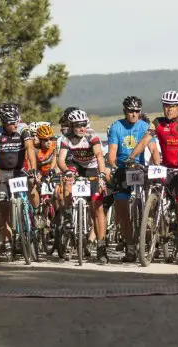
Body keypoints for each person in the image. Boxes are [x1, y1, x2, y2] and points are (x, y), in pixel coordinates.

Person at [128, 90, 178, 264]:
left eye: (172, 106)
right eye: (166, 106)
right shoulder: (157, 122)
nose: (169, 110)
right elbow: (144, 141)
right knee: (154, 196)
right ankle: (152, 234)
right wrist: (131, 157)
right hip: (165, 168)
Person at [106, 96, 158, 262]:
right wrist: (114, 166)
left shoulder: (145, 126)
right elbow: (112, 155)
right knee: (121, 208)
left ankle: (149, 233)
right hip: (123, 169)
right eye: (131, 111)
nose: (134, 114)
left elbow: (153, 149)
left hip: (140, 168)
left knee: (152, 200)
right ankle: (129, 247)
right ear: (124, 111)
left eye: (137, 111)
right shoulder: (116, 127)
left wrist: (157, 164)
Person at [57, 108, 111, 263]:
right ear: (72, 126)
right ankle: (68, 213)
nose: (82, 128)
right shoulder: (66, 138)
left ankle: (101, 246)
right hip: (76, 165)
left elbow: (100, 156)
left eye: (84, 125)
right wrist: (66, 171)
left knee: (98, 207)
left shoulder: (91, 136)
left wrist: (101, 175)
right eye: (79, 125)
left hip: (92, 167)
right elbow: (61, 160)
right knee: (67, 180)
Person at [0, 103, 37, 261]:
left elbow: (29, 148)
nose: (15, 125)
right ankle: (8, 241)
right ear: (3, 123)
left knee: (31, 187)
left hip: (18, 170)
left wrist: (33, 168)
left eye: (16, 121)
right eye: (11, 123)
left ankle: (31, 220)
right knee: (3, 205)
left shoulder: (23, 128)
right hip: (2, 172)